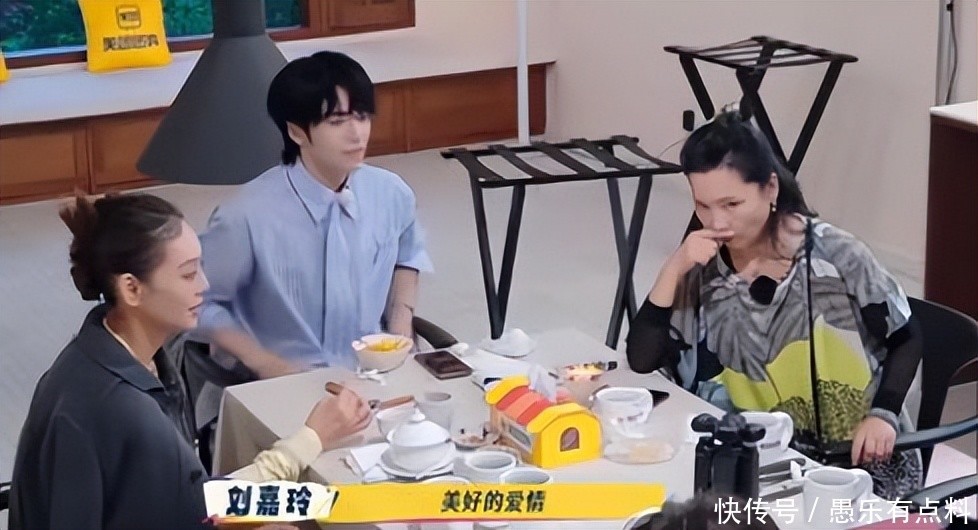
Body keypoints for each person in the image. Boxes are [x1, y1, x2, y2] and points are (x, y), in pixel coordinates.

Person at [9, 194, 373, 530]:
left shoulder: (104, 354)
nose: (204, 284)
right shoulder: (122, 408)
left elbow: (191, 499)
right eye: (188, 274)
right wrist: (309, 440)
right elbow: (203, 508)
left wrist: (306, 443)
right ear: (131, 288)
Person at [625, 110, 922, 499]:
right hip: (755, 464)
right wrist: (674, 268)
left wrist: (884, 415)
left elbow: (907, 338)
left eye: (732, 204)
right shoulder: (701, 264)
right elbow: (642, 359)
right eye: (703, 206)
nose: (717, 222)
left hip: (856, 468)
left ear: (770, 189)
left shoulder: (836, 255)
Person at [195, 50, 432, 378]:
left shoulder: (391, 193)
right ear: (296, 132)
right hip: (281, 380)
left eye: (362, 116)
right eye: (337, 121)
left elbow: (408, 257)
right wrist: (262, 361)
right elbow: (197, 302)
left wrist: (401, 330)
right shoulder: (244, 216)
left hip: (374, 372)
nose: (357, 134)